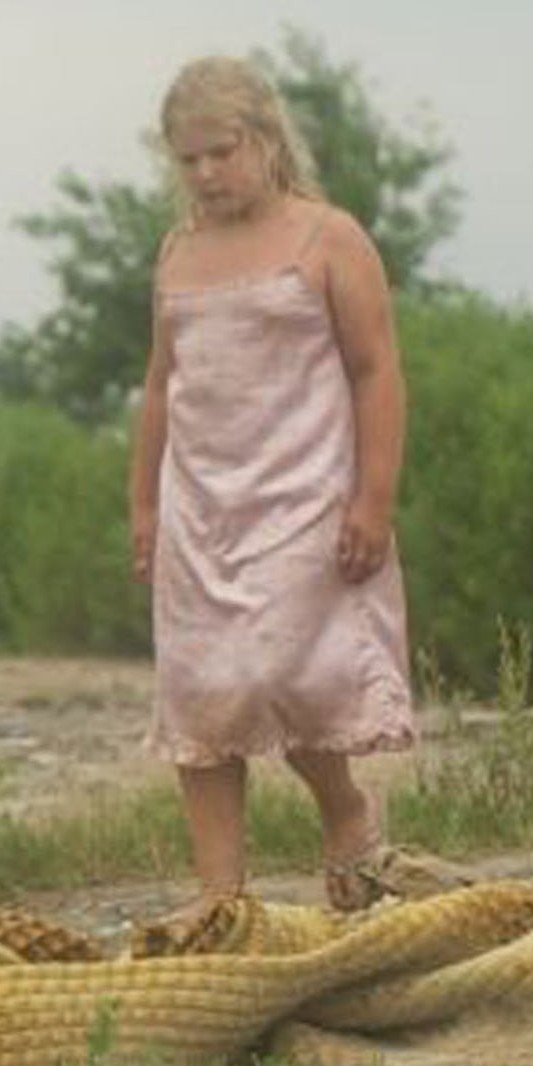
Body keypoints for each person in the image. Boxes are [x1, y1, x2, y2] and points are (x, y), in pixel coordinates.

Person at [131, 54, 415, 907]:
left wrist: (374, 496)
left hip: (304, 495)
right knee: (203, 694)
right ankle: (223, 898)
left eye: (223, 151)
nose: (208, 173)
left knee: (287, 677)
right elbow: (158, 383)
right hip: (201, 503)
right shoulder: (178, 250)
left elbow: (376, 370)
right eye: (190, 159)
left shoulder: (328, 237)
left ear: (265, 139)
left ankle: (345, 811)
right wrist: (144, 503)